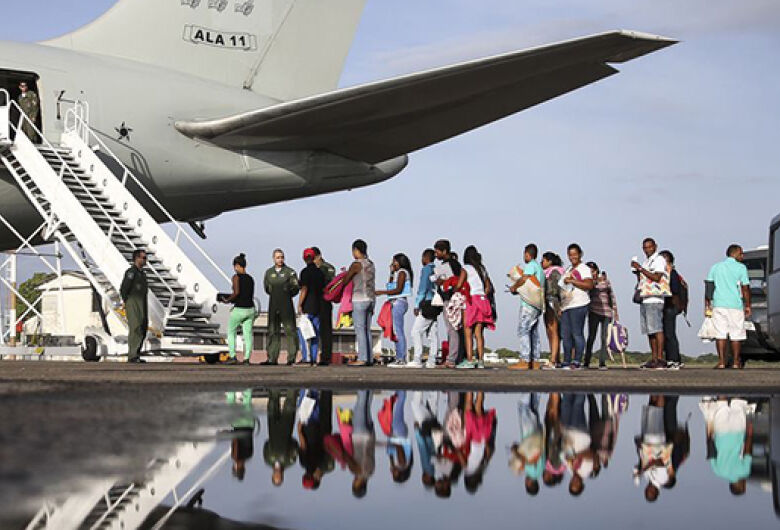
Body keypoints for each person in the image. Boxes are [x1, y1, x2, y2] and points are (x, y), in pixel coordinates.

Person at [705, 244, 752, 369]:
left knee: (720, 334)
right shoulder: (741, 268)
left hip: (718, 304)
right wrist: (747, 305)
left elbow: (709, 287)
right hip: (735, 305)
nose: (742, 256)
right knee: (736, 334)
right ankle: (736, 362)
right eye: (741, 254)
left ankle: (721, 362)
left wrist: (707, 304)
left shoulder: (715, 267)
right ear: (735, 254)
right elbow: (745, 288)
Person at [699, 397, 754, 495]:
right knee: (722, 404)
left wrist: (750, 433)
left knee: (738, 403)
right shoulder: (718, 471)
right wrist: (709, 429)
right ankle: (721, 384)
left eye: (744, 486)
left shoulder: (744, 471)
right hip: (721, 433)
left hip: (738, 432)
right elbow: (711, 452)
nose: (745, 483)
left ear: (740, 486)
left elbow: (747, 451)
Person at [631, 238, 668, 370]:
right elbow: (644, 279)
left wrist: (640, 268)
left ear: (655, 247)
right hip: (645, 297)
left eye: (649, 247)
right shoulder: (647, 261)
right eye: (645, 248)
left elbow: (657, 277)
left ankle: (660, 357)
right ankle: (654, 358)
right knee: (649, 330)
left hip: (655, 298)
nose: (647, 250)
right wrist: (638, 271)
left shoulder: (659, 260)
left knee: (656, 328)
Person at [509, 244, 546, 370]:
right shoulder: (539, 268)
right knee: (534, 332)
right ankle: (535, 361)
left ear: (527, 254)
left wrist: (514, 287)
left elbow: (524, 279)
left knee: (523, 330)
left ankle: (524, 360)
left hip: (528, 305)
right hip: (537, 305)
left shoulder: (530, 265)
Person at [458, 246, 494, 369]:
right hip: (483, 301)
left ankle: (469, 360)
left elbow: (459, 284)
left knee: (468, 331)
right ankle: (480, 361)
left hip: (471, 300)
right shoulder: (482, 269)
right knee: (479, 333)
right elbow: (488, 287)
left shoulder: (466, 268)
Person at [633, 396, 674, 502]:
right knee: (658, 411)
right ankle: (661, 390)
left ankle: (653, 389)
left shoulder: (648, 478)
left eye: (646, 491)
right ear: (656, 493)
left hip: (647, 443)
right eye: (650, 492)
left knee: (650, 408)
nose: (648, 489)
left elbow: (643, 461)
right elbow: (659, 462)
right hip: (657, 443)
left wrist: (638, 449)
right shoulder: (662, 479)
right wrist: (643, 470)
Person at [559, 244, 594, 369]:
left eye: (574, 254)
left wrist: (572, 281)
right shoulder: (568, 269)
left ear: (580, 254)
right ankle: (567, 360)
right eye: (570, 254)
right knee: (565, 335)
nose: (572, 257)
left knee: (577, 333)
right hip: (566, 305)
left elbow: (589, 285)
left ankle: (577, 360)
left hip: (579, 303)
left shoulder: (583, 268)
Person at [263, 249, 300, 365]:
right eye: (278, 257)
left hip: (286, 304)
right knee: (273, 331)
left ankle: (291, 358)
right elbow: (267, 288)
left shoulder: (290, 272)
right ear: (273, 258)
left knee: (290, 331)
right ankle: (272, 358)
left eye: (282, 257)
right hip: (273, 304)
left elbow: (295, 288)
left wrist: (286, 293)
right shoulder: (269, 273)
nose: (280, 259)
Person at [376, 253, 413, 367]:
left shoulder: (402, 272)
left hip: (398, 302)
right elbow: (391, 285)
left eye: (394, 262)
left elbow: (398, 289)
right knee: (396, 331)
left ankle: (401, 358)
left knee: (398, 331)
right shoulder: (400, 273)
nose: (392, 264)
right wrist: (391, 273)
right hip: (398, 302)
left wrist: (382, 292)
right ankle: (399, 357)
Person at [343, 240, 376, 366]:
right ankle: (369, 358)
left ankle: (362, 358)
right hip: (371, 299)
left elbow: (346, 280)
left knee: (360, 329)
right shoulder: (371, 264)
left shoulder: (356, 264)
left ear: (356, 250)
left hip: (359, 298)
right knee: (367, 330)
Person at [220, 253, 256, 365]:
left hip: (239, 309)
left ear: (236, 266)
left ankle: (233, 356)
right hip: (250, 309)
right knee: (248, 334)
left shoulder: (236, 277)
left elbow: (236, 293)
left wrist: (227, 300)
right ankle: (246, 359)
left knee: (231, 332)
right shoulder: (251, 279)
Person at [433, 240, 463, 368]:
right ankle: (456, 357)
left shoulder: (450, 264)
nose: (436, 254)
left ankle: (451, 359)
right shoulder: (454, 264)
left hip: (451, 299)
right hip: (452, 298)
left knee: (452, 328)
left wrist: (442, 282)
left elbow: (454, 281)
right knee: (454, 328)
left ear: (444, 251)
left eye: (437, 251)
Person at [297, 389, 334, 490]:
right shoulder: (304, 463)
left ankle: (326, 386)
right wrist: (299, 431)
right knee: (308, 400)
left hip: (321, 430)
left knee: (323, 402)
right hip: (309, 429)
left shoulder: (321, 464)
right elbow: (303, 445)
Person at [509, 393, 544, 496]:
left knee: (533, 407)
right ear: (528, 484)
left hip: (536, 435)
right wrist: (516, 453)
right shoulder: (533, 472)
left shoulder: (540, 470)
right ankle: (530, 380)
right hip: (529, 434)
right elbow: (532, 459)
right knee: (523, 406)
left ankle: (538, 382)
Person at [584, 263, 617, 370]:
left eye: (593, 271)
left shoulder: (605, 282)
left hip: (606, 312)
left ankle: (602, 362)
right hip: (593, 312)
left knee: (604, 338)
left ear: (597, 271)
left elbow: (612, 296)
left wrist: (615, 311)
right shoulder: (589, 282)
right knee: (591, 337)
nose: (592, 273)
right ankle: (586, 361)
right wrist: (593, 280)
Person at [264, 389, 300, 486]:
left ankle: (273, 389)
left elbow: (266, 445)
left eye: (276, 476)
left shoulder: (268, 460)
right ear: (282, 476)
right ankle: (293, 386)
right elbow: (295, 447)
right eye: (279, 477)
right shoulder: (290, 461)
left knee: (272, 405)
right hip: (286, 429)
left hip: (273, 430)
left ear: (272, 475)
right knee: (290, 403)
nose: (278, 474)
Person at [410, 249, 439, 368]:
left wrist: (417, 304)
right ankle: (432, 360)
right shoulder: (436, 269)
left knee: (416, 331)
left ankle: (417, 358)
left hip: (427, 303)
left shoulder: (426, 269)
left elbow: (423, 288)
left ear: (426, 258)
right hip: (436, 303)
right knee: (433, 334)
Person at [298, 248, 326, 366]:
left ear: (304, 258)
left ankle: (306, 358)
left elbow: (304, 289)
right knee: (315, 333)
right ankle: (314, 359)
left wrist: (300, 304)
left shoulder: (305, 272)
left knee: (304, 332)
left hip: (307, 306)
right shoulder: (320, 273)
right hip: (318, 306)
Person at [120, 249, 148, 364]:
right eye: (143, 257)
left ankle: (137, 353)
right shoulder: (131, 272)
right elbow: (124, 288)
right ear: (137, 258)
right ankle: (132, 355)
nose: (145, 260)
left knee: (143, 326)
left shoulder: (142, 274)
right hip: (133, 300)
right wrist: (127, 301)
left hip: (142, 301)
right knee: (135, 326)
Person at [659, 250, 684, 369]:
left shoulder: (672, 273)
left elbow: (674, 290)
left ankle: (674, 359)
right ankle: (672, 358)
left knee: (669, 333)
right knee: (666, 333)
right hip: (665, 306)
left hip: (670, 306)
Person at [312, 247, 336, 365]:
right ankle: (311, 356)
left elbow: (331, 284)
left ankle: (326, 357)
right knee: (312, 329)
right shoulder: (310, 269)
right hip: (312, 301)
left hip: (324, 300)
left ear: (318, 256)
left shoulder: (327, 268)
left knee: (325, 330)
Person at [541, 252, 565, 369]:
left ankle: (554, 360)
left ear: (549, 261)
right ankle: (556, 359)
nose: (541, 263)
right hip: (548, 303)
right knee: (550, 332)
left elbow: (555, 290)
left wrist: (557, 307)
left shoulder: (555, 272)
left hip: (553, 302)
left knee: (554, 331)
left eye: (543, 261)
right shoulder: (548, 272)